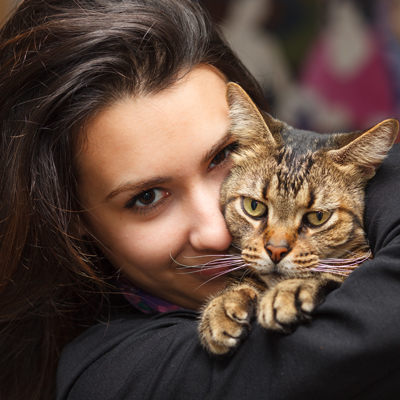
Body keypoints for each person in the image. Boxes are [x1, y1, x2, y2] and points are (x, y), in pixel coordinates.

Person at [0, 0, 399, 399]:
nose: (218, 230)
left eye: (223, 155)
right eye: (147, 197)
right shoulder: (111, 374)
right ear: (70, 217)